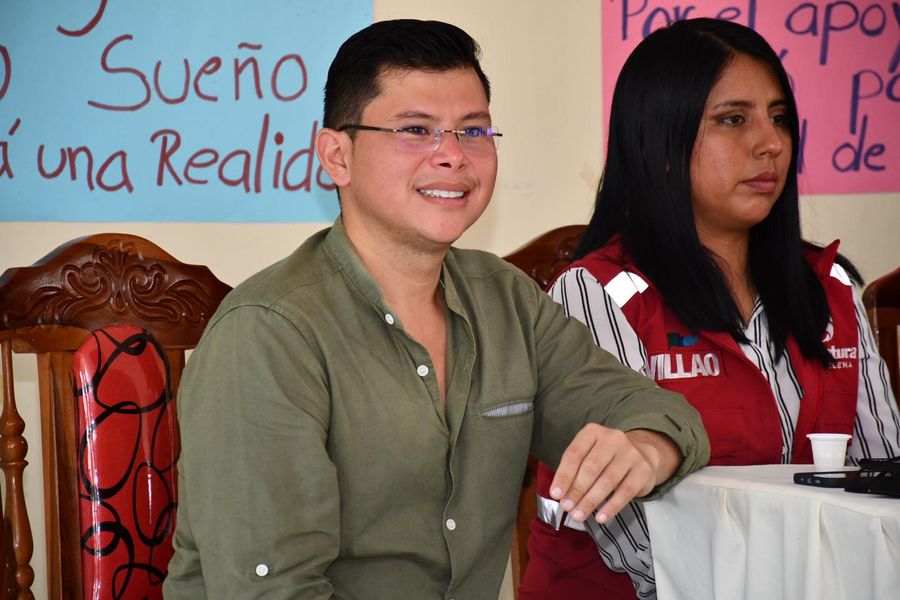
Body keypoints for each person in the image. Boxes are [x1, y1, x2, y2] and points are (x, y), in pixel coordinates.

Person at [162, 19, 710, 599]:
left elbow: (654, 411)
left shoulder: (506, 300)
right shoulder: (268, 333)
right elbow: (274, 591)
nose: (452, 156)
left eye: (473, 131)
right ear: (336, 155)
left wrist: (647, 446)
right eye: (416, 130)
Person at [519, 17, 900, 600]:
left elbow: (883, 483)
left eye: (779, 117)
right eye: (733, 119)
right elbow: (631, 539)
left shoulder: (832, 288)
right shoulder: (595, 291)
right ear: (657, 140)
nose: (771, 143)